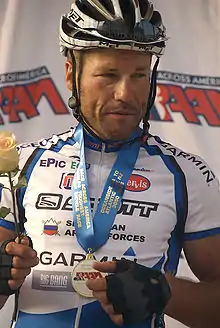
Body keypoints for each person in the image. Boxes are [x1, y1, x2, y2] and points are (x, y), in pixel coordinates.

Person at [0, 1, 220, 327]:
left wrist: (166, 292)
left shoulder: (187, 173)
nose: (124, 93)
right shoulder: (23, 163)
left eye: (139, 75)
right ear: (71, 74)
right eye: (108, 75)